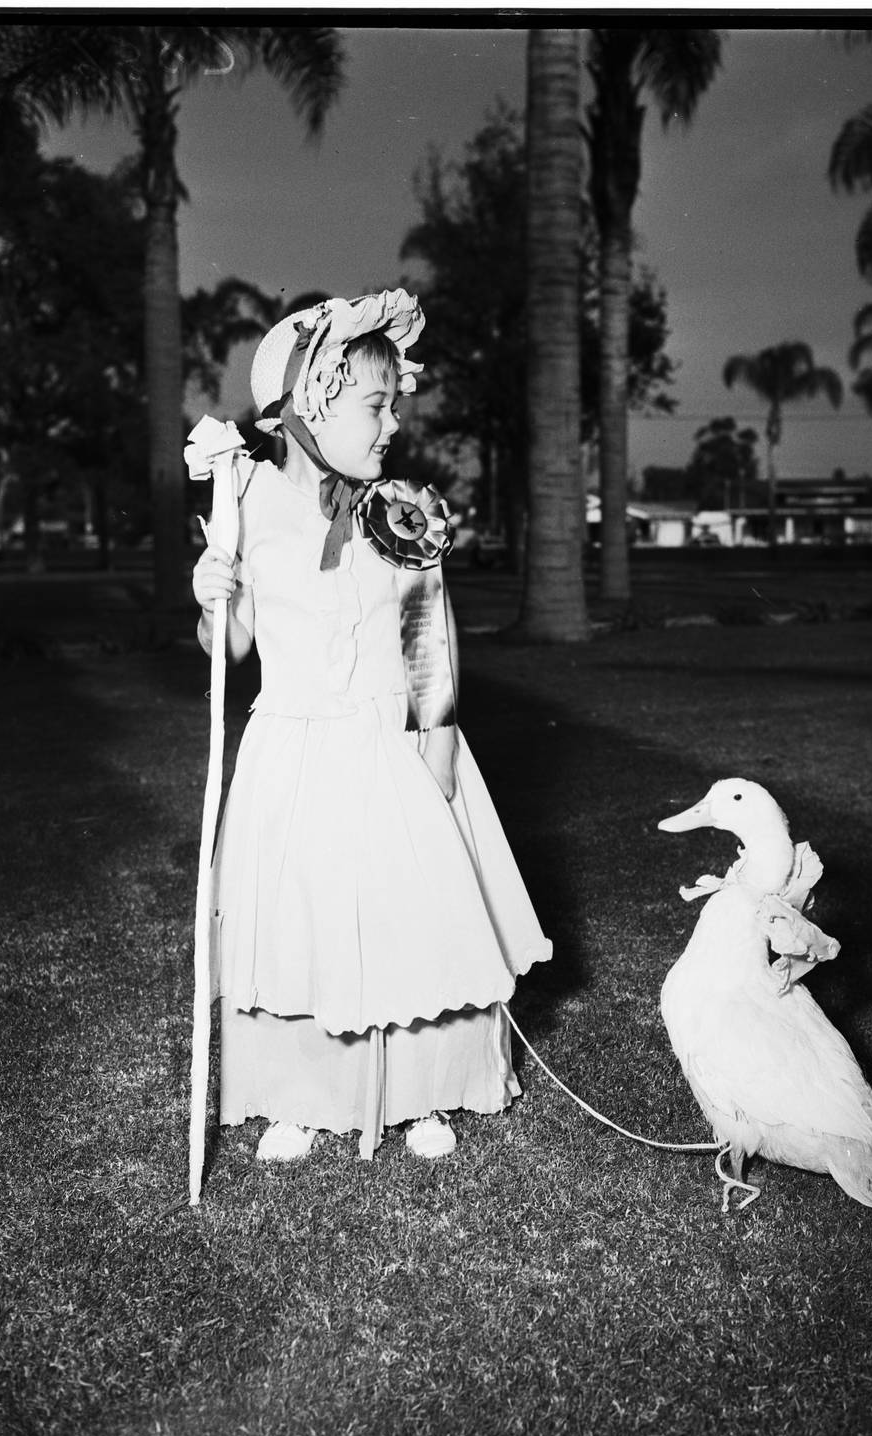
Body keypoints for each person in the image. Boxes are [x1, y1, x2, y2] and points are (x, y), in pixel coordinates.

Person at [190, 289, 551, 1163]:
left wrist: (435, 746)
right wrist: (211, 596)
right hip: (296, 748)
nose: (392, 421)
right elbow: (229, 645)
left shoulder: (401, 511)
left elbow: (428, 637)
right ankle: (298, 1094)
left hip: (389, 746)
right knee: (299, 924)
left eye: (395, 403)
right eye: (374, 404)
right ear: (311, 405)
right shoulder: (251, 503)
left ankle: (422, 1088)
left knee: (407, 917)